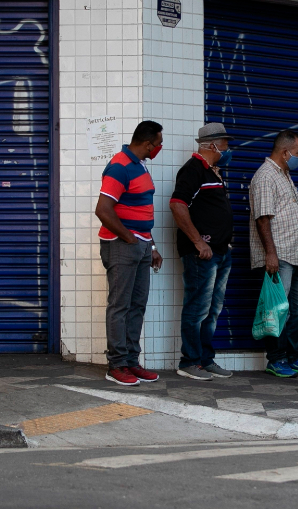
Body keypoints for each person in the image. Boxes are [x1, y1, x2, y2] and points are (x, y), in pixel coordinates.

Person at [95, 120, 164, 387]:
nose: (158, 148)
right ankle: (116, 365)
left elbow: (142, 211)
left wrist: (152, 246)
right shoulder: (119, 166)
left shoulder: (140, 166)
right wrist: (129, 239)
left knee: (137, 306)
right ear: (147, 143)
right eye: (157, 143)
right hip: (122, 245)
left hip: (142, 244)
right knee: (120, 306)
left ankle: (132, 362)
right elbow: (103, 210)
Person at [249, 131, 298, 378]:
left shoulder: (285, 175)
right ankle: (277, 359)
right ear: (285, 152)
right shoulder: (265, 177)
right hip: (278, 255)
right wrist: (270, 254)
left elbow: (295, 213)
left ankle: (295, 357)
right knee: (278, 310)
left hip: (296, 253)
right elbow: (262, 220)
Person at [169, 123, 236, 381]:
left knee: (212, 310)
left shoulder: (214, 172)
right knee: (197, 308)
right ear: (212, 145)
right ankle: (189, 361)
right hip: (202, 255)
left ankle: (206, 360)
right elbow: (177, 205)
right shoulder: (193, 170)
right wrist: (198, 242)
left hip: (220, 252)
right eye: (225, 145)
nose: (228, 150)